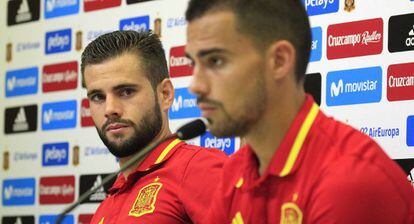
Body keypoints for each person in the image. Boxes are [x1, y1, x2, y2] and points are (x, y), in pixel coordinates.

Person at [184, 0, 414, 223]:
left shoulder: (348, 182)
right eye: (193, 63)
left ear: (279, 61)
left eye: (215, 61)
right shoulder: (235, 172)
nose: (195, 85)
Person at [81, 30, 227, 224]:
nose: (110, 109)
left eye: (126, 91)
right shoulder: (105, 207)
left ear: (165, 94)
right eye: (98, 97)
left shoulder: (198, 169)